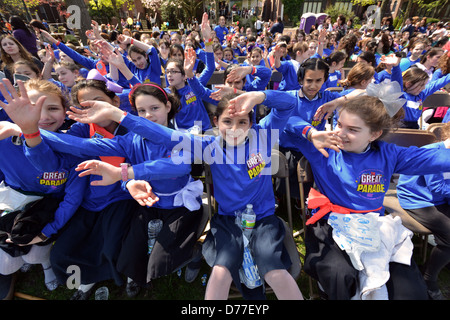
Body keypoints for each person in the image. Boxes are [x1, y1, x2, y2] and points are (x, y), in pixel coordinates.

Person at [287, 84, 450, 299]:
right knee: (340, 275)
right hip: (331, 225)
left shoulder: (388, 153)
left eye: (352, 130)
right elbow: (285, 121)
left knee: (409, 290)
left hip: (373, 224)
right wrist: (311, 132)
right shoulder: (324, 147)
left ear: (374, 134)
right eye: (339, 124)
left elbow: (435, 159)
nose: (341, 133)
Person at [0, 79, 86, 299]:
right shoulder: (4, 139)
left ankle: (46, 265)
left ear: (65, 112)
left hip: (48, 210)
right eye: (32, 108)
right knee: (7, 264)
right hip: (12, 202)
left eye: (53, 108)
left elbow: (54, 174)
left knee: (35, 256)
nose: (43, 116)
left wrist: (46, 231)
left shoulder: (72, 145)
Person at [396, 122, 450, 300]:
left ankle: (443, 261)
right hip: (419, 199)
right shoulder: (434, 153)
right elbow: (437, 188)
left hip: (441, 198)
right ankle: (428, 278)